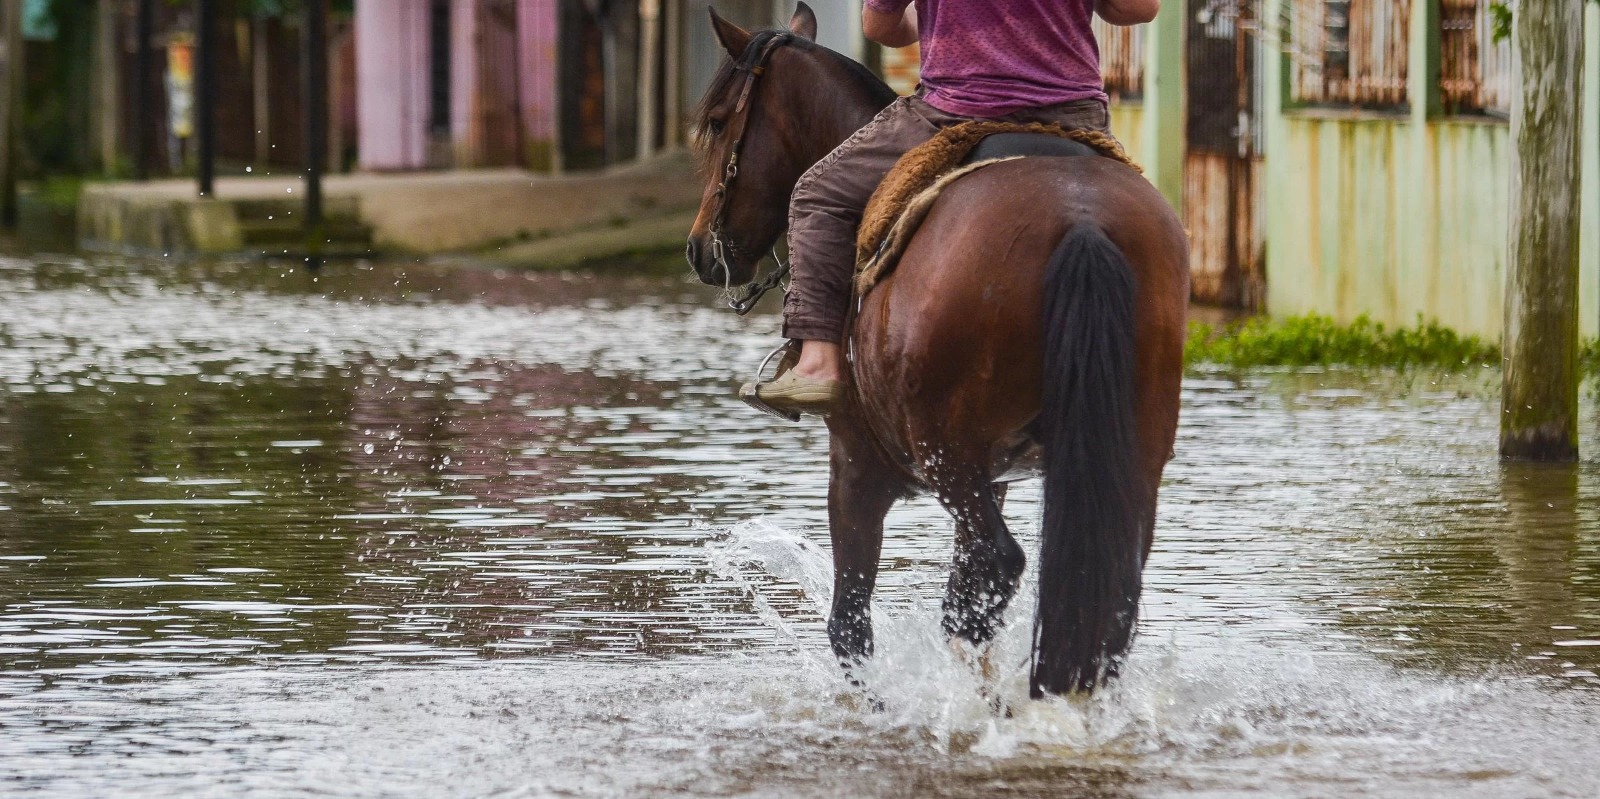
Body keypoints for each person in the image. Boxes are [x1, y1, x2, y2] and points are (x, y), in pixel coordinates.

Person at [747, 0, 1161, 416]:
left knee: (817, 195)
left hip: (957, 113)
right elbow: (1139, 9)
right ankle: (1146, 397)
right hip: (1074, 115)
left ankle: (818, 362)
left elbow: (879, 25)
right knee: (1144, 221)